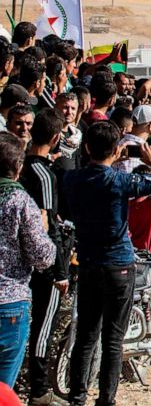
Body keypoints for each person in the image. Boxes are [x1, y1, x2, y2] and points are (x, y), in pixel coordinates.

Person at [63, 122, 151, 406]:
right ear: (116, 149)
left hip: (88, 262)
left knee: (86, 335)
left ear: (86, 147)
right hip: (119, 265)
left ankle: (77, 397)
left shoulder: (71, 179)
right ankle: (106, 399)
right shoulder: (119, 181)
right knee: (113, 339)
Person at [22, 110, 71, 406]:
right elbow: (49, 225)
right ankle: (39, 390)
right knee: (44, 325)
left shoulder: (18, 166)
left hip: (20, 262)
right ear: (55, 138)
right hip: (45, 266)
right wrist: (60, 271)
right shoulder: (44, 175)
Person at [0, 134, 55, 389]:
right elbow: (43, 257)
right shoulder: (20, 201)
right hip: (10, 302)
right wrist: (43, 228)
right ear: (18, 168)